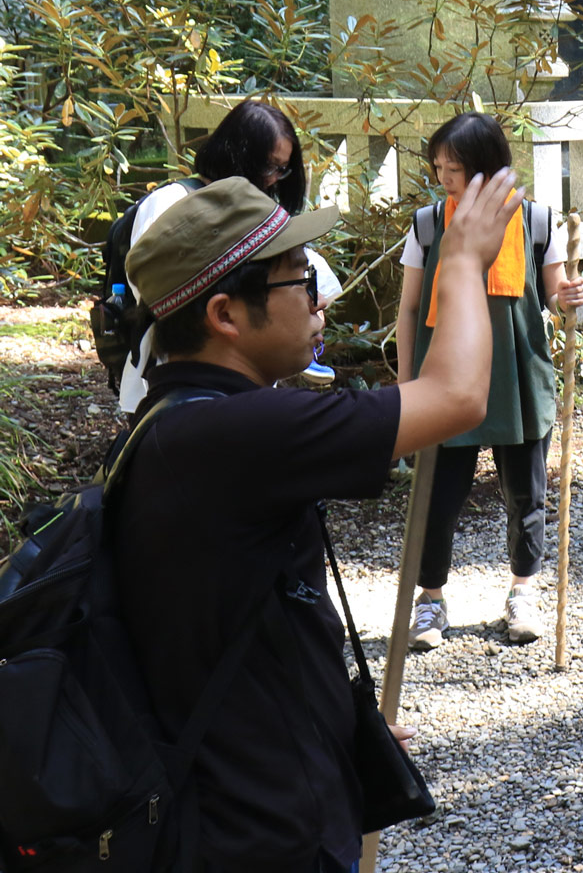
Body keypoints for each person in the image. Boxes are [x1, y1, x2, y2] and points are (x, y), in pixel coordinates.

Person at [113, 169, 519, 872]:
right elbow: (457, 396)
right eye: (299, 278)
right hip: (261, 830)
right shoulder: (240, 432)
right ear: (225, 315)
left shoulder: (169, 424)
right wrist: (460, 260)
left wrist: (332, 720)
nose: (321, 296)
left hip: (228, 799)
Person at [398, 113, 583, 650]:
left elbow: (552, 292)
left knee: (526, 492)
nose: (443, 178)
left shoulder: (537, 221)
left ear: (486, 167)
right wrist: (406, 383)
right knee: (438, 493)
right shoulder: (430, 223)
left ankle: (522, 593)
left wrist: (567, 296)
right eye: (438, 166)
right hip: (442, 375)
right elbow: (409, 310)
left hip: (516, 370)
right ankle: (430, 600)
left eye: (453, 167)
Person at [118, 99, 344, 414]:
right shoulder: (172, 203)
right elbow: (162, 298)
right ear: (235, 152)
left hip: (242, 390)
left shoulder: (257, 215)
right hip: (174, 390)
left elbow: (318, 285)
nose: (274, 179)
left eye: (283, 168)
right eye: (268, 166)